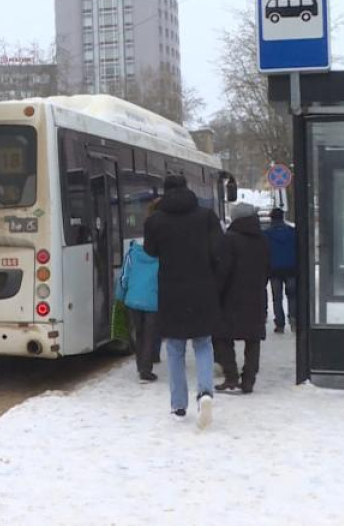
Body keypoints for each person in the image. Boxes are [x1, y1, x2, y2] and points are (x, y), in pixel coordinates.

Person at [144, 174, 224, 429]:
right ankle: (206, 393)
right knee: (203, 343)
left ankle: (179, 404)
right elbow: (218, 250)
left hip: (171, 290)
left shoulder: (155, 220)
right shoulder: (207, 216)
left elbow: (150, 251)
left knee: (175, 349)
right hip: (202, 288)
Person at [213, 203, 271, 394]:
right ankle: (248, 380)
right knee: (253, 339)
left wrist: (216, 292)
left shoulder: (228, 240)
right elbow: (267, 269)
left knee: (221, 337)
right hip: (255, 296)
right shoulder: (262, 239)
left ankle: (231, 376)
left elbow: (222, 270)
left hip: (231, 297)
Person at [115, 200, 163, 382]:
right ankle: (146, 368)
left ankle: (140, 364)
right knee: (151, 334)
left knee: (139, 333)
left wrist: (120, 295)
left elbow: (124, 276)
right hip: (153, 300)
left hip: (133, 300)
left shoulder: (133, 251)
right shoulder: (161, 255)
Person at [264, 207, 297, 333]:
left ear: (271, 218)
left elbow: (265, 253)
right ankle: (294, 320)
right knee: (292, 296)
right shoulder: (292, 232)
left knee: (277, 298)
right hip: (291, 269)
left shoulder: (267, 234)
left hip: (274, 270)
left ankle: (280, 324)